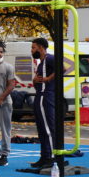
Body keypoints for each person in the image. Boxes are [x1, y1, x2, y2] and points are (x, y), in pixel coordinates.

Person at [30, 37, 56, 169]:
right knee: (41, 129)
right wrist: (35, 81)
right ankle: (44, 156)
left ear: (41, 47)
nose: (32, 50)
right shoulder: (41, 63)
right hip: (40, 96)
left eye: (33, 47)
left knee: (47, 128)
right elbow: (37, 83)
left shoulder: (49, 58)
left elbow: (64, 68)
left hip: (46, 97)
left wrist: (47, 79)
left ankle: (51, 157)